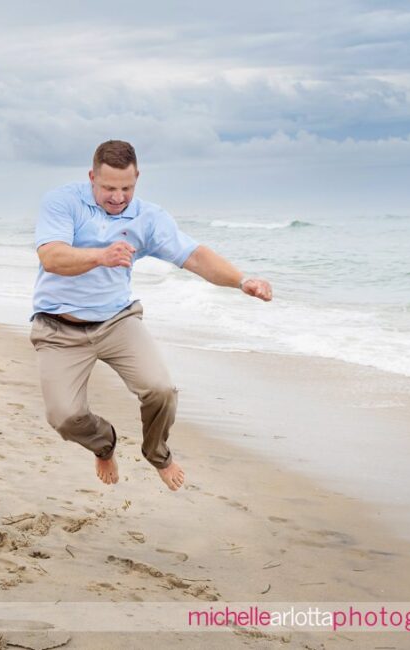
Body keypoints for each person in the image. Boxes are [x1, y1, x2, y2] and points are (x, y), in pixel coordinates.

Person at [31, 140, 273, 491]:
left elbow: (195, 256)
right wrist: (101, 256)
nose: (118, 197)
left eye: (126, 188)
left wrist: (241, 280)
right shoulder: (62, 202)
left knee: (161, 390)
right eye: (108, 188)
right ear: (91, 178)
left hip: (117, 320)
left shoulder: (149, 217)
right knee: (65, 418)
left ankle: (157, 453)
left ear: (137, 178)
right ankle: (103, 444)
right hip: (58, 328)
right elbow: (52, 257)